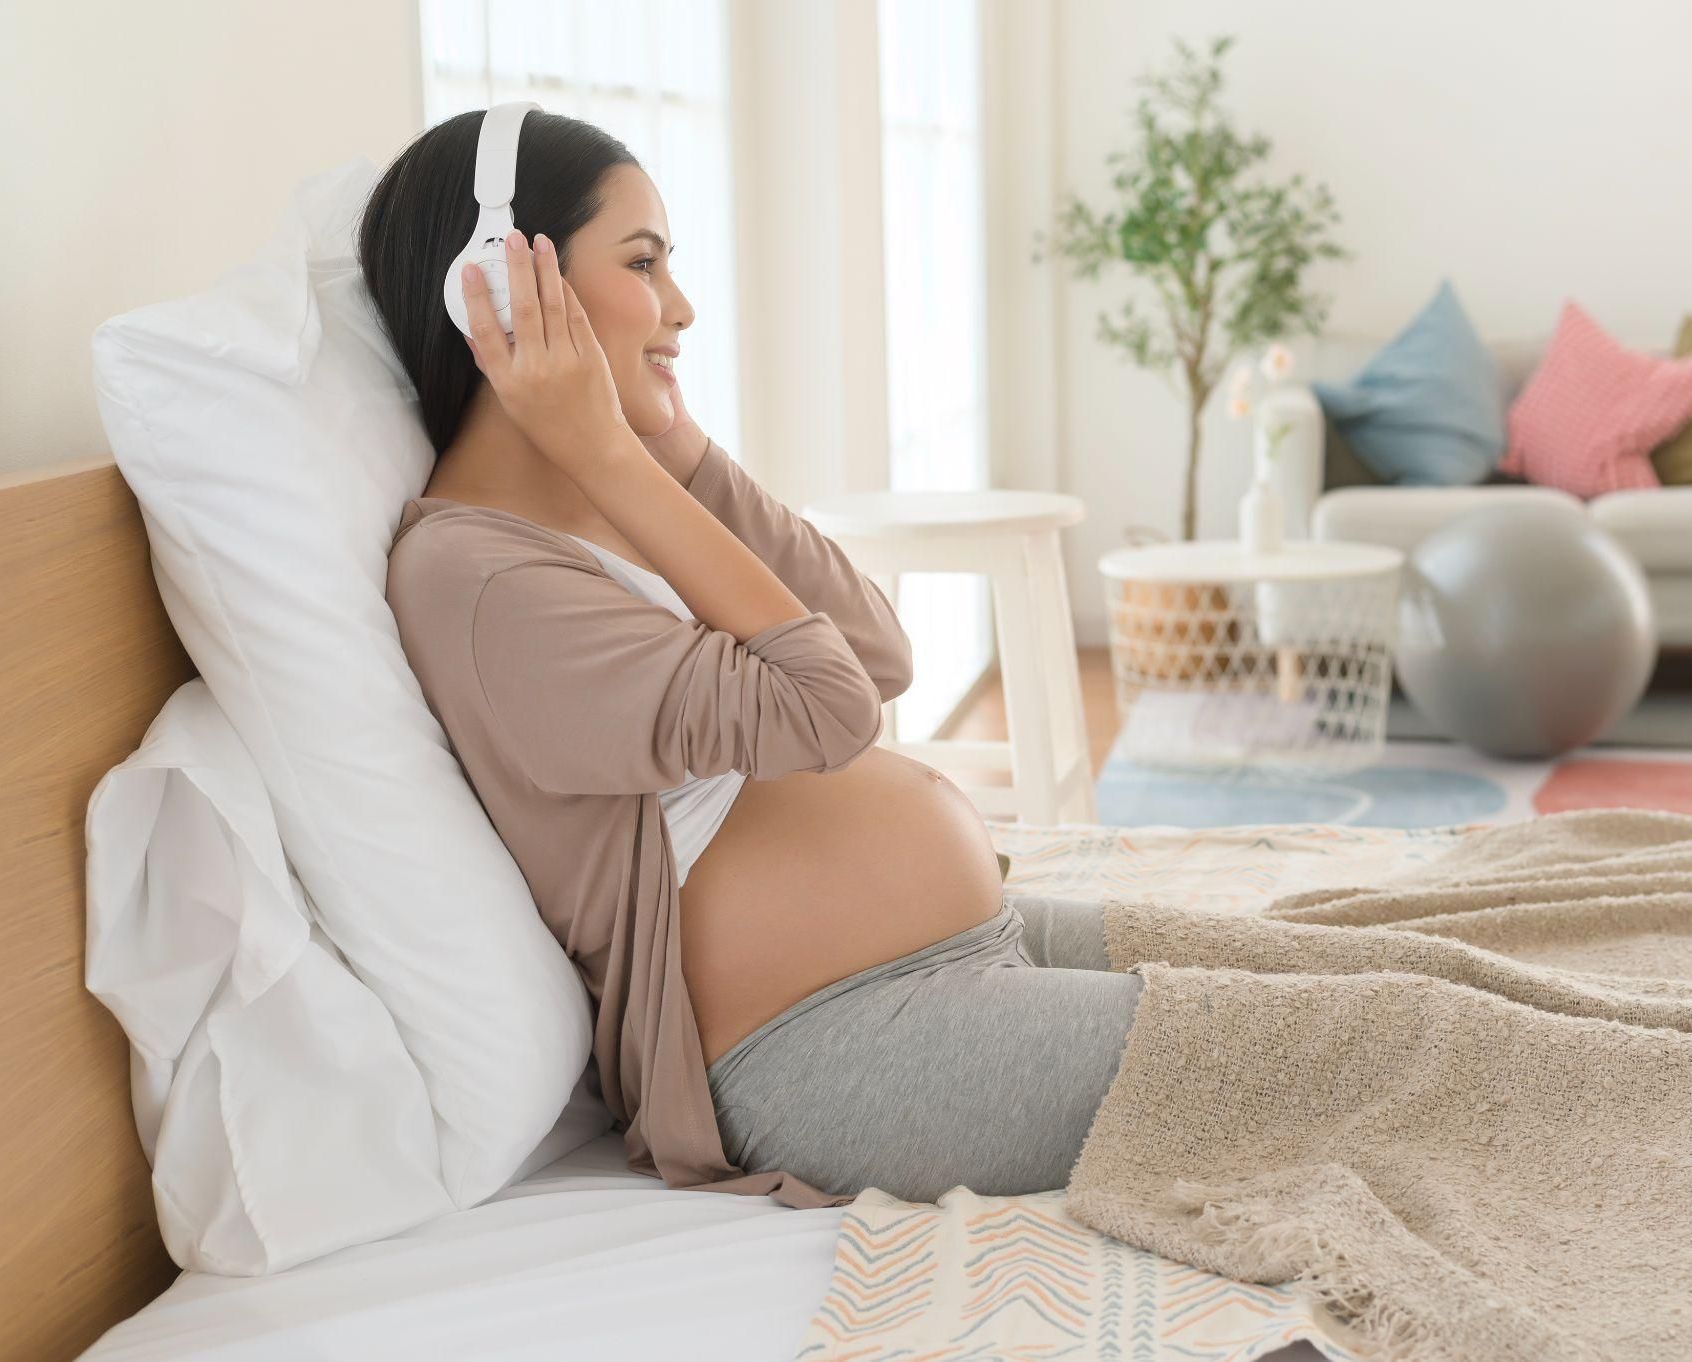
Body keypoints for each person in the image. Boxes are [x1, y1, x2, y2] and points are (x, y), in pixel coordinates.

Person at [363, 110, 1143, 1207]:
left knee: (1408, 972)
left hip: (943, 963)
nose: (680, 307)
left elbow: (874, 653)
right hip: (827, 1047)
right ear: (495, 289)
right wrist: (603, 446)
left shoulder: (601, 512)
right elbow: (829, 712)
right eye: (643, 264)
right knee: (1418, 1043)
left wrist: (671, 449)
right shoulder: (478, 582)